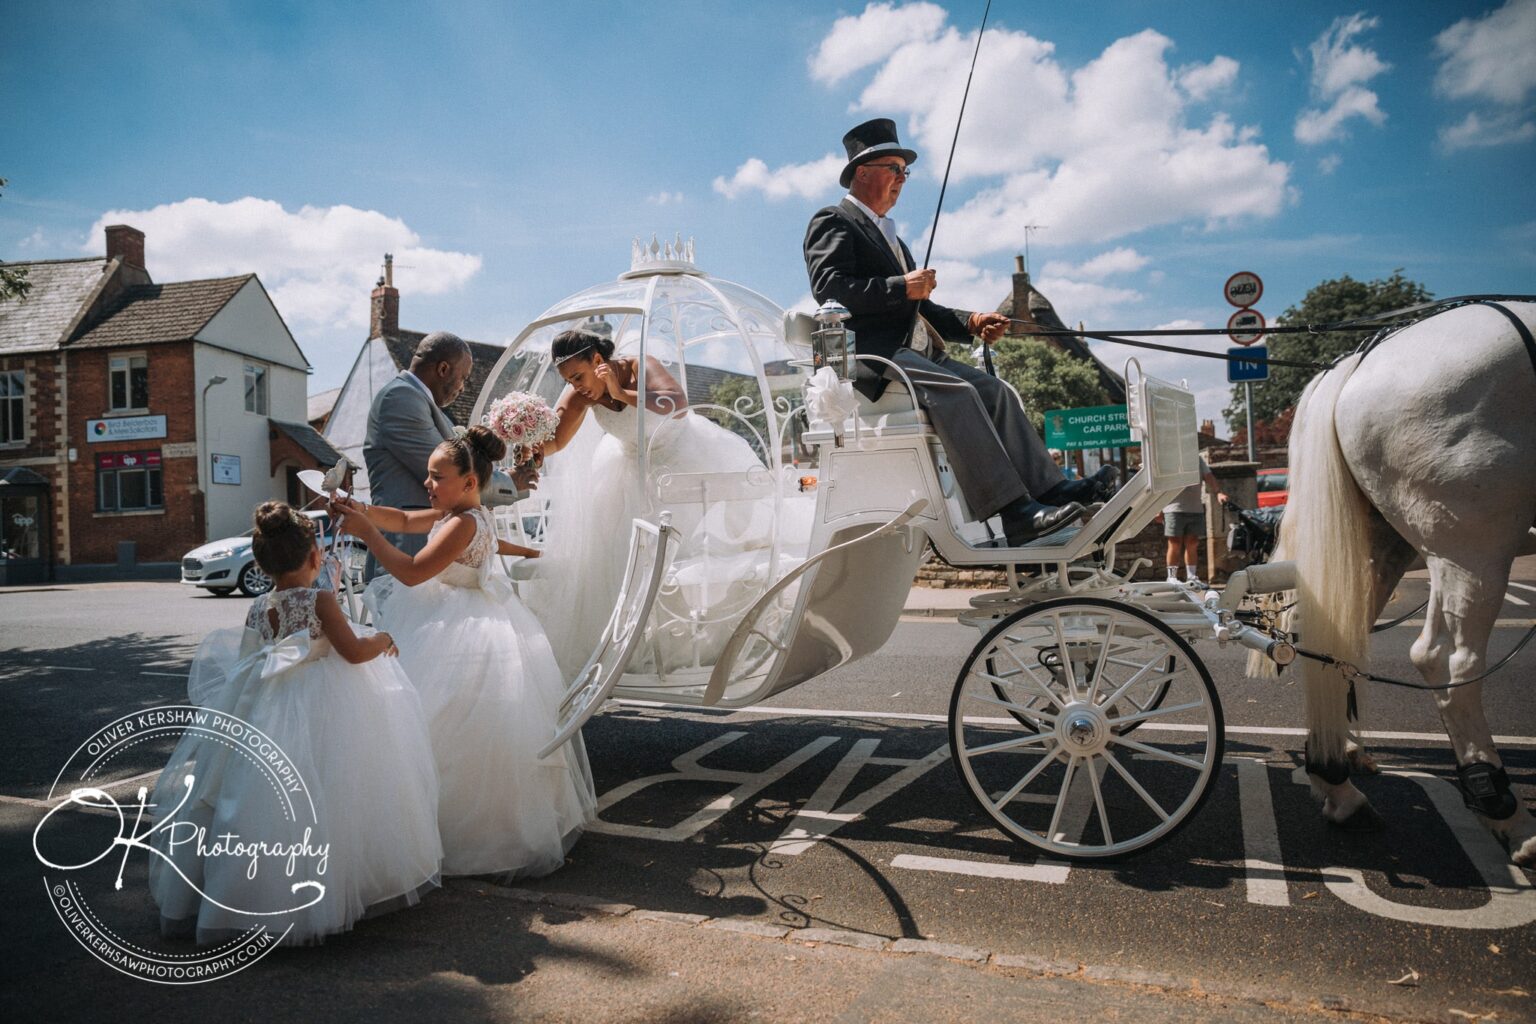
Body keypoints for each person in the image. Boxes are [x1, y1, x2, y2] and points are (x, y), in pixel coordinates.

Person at [803, 118, 1117, 545]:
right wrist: (901, 286)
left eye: (904, 172)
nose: (901, 180)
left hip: (915, 353)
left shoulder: (891, 237)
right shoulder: (833, 220)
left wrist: (971, 321)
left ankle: (1050, 488)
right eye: (893, 168)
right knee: (959, 392)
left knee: (997, 392)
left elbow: (921, 308)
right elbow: (829, 287)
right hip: (875, 356)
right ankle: (1013, 514)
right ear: (863, 172)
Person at [148, 502, 441, 945]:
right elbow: (352, 652)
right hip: (322, 702)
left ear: (262, 563)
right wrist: (381, 639)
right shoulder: (320, 598)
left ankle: (244, 892)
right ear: (315, 558)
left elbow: (252, 659)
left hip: (263, 706)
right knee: (333, 790)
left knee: (251, 798)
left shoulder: (259, 605)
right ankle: (328, 892)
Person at [338, 427, 595, 878]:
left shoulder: (462, 522)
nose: (427, 483)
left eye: (437, 476)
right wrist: (360, 510)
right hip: (448, 614)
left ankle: (464, 835)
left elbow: (415, 572)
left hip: (460, 630)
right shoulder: (459, 514)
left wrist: (366, 535)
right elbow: (399, 518)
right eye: (428, 475)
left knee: (443, 720)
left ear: (470, 482)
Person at [527, 327, 775, 678]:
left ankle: (703, 642)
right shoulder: (580, 394)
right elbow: (556, 442)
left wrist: (619, 392)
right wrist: (531, 446)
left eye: (579, 376)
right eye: (569, 380)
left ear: (598, 360)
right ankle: (633, 645)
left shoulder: (640, 366)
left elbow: (678, 405)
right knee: (618, 559)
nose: (576, 386)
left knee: (691, 556)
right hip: (627, 471)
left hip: (685, 460)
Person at [362, 331, 536, 581]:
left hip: (433, 548)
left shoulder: (422, 402)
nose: (462, 387)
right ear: (443, 368)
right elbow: (449, 473)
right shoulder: (400, 398)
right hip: (407, 545)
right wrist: (509, 482)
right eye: (463, 377)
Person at [1159, 457, 1227, 586]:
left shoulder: (1196, 458)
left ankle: (1191, 577)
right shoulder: (1168, 457)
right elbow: (1161, 483)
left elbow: (1208, 476)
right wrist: (1158, 508)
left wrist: (1218, 493)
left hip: (1195, 508)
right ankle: (1171, 578)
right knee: (1174, 543)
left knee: (1193, 543)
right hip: (1173, 508)